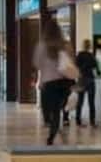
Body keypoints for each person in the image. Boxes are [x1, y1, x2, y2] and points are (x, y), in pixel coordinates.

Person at [33, 14, 77, 145]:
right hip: (64, 83)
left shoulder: (42, 46)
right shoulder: (65, 45)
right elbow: (72, 61)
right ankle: (56, 127)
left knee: (50, 110)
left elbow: (37, 63)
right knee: (57, 108)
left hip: (48, 83)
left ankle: (53, 129)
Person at [73, 45, 99, 128]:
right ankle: (92, 122)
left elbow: (75, 66)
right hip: (90, 79)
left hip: (81, 80)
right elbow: (96, 67)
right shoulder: (91, 55)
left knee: (80, 101)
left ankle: (78, 120)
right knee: (91, 102)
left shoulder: (79, 55)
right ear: (89, 46)